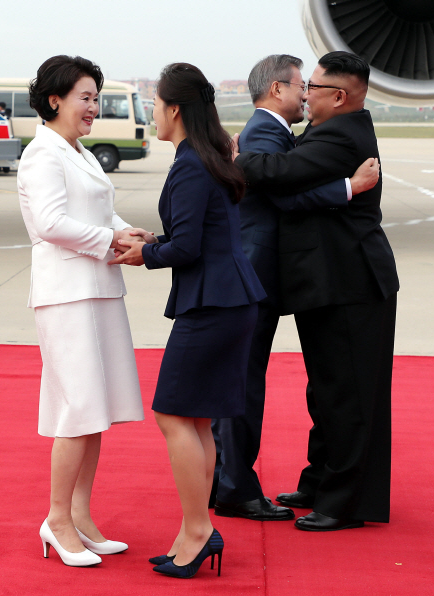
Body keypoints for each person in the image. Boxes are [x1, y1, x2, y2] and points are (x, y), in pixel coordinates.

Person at [112, 62, 266, 578]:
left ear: (174, 109)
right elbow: (195, 234)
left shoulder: (190, 164)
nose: (153, 112)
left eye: (155, 103)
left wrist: (144, 254)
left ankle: (198, 530)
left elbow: (189, 246)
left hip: (213, 305)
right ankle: (193, 530)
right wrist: (153, 241)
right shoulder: (206, 157)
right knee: (196, 418)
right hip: (228, 300)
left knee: (173, 414)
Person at [235, 51, 399, 531]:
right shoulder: (333, 131)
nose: (306, 95)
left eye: (315, 88)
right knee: (327, 391)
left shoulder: (340, 136)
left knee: (348, 395)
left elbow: (278, 177)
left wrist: (235, 158)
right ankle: (321, 479)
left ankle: (344, 502)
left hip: (350, 283)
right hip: (330, 281)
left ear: (340, 96)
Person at [17, 55, 145, 566]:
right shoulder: (43, 153)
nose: (94, 107)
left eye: (97, 98)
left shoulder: (80, 152)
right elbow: (50, 223)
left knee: (95, 410)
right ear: (55, 99)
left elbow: (100, 211)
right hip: (66, 293)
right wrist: (109, 238)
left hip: (98, 288)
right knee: (76, 410)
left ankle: (81, 515)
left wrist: (132, 234)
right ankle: (57, 519)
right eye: (85, 97)